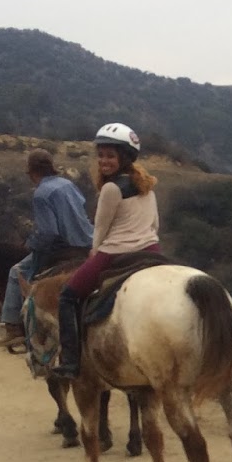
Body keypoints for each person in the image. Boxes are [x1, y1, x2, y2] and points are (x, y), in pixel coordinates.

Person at [47, 123, 161, 380]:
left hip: (117, 252)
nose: (103, 161)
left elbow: (100, 229)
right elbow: (155, 224)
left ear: (124, 157)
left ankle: (71, 362)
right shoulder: (147, 185)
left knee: (67, 296)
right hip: (152, 249)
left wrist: (94, 252)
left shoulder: (111, 189)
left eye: (110, 155)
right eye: (101, 155)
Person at [0, 149, 93, 349]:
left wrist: (31, 244)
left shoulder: (41, 193)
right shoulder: (67, 184)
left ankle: (13, 329)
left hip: (63, 247)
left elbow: (49, 233)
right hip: (88, 243)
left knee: (16, 273)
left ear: (31, 172)